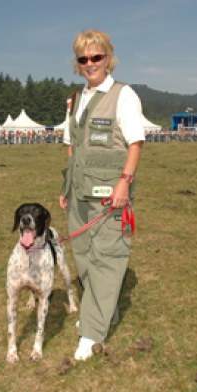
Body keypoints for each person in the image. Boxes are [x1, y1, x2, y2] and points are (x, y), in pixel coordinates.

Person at [59, 29, 145, 361]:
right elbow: (71, 146)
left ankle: (92, 332)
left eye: (97, 57)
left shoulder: (124, 95)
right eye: (84, 59)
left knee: (107, 257)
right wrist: (65, 188)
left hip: (111, 195)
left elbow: (135, 143)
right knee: (83, 256)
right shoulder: (77, 100)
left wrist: (124, 182)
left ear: (108, 58)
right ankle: (104, 311)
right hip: (78, 194)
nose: (91, 63)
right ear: (77, 64)